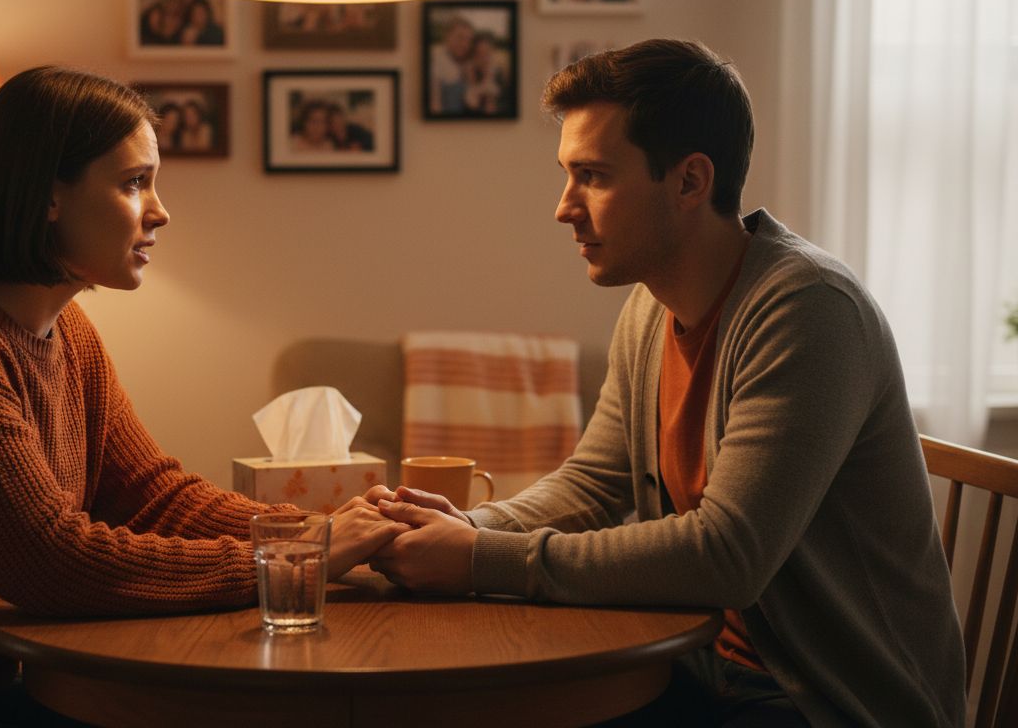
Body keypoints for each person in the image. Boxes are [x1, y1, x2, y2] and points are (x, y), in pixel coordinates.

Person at [0, 66, 407, 726]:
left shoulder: (67, 331)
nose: (160, 210)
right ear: (47, 196)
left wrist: (322, 531)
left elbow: (154, 494)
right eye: (133, 183)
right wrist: (300, 555)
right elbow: (45, 562)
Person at [364, 39, 965, 727]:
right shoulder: (651, 308)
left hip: (826, 702)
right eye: (568, 175)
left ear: (689, 182)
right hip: (706, 669)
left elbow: (727, 554)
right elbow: (592, 484)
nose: (564, 207)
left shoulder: (808, 310)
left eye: (593, 176)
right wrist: (462, 527)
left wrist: (479, 560)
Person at [428, 16, 475, 115]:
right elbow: (435, 106)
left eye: (468, 40)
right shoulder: (435, 62)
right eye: (460, 37)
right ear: (446, 36)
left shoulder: (467, 62)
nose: (465, 44)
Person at [463, 32, 506, 116]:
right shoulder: (466, 74)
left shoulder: (498, 74)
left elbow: (493, 109)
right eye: (479, 54)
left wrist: (489, 77)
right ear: (473, 56)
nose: (484, 58)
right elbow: (472, 104)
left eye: (487, 53)